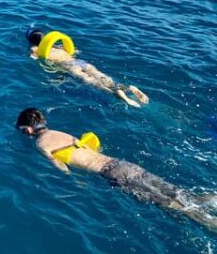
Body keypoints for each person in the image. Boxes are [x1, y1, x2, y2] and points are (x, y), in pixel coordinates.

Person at [15, 108, 217, 232]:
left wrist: (72, 181)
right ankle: (210, 199)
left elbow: (59, 165)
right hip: (122, 164)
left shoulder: (41, 144)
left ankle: (212, 224)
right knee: (177, 193)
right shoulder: (62, 133)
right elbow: (93, 147)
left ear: (29, 129)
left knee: (172, 205)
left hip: (112, 174)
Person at [26, 29, 149, 108]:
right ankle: (128, 88)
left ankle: (121, 96)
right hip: (80, 62)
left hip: (69, 67)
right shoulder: (58, 46)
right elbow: (75, 51)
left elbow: (34, 58)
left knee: (94, 83)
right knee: (103, 77)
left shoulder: (35, 49)